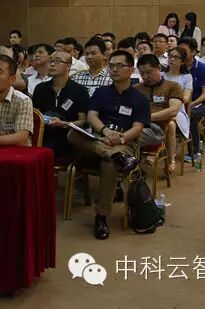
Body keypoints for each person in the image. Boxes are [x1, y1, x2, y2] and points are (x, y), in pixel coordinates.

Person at [68, 50, 149, 240]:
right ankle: (115, 156)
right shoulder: (101, 92)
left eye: (119, 66)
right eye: (111, 66)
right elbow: (91, 116)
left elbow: (137, 128)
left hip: (123, 143)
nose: (114, 69)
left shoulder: (140, 99)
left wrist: (119, 139)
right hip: (98, 138)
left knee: (109, 164)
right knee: (73, 134)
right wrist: (105, 132)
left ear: (131, 70)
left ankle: (102, 216)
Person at [32, 51, 89, 156]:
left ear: (68, 66)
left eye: (58, 61)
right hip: (44, 134)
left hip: (68, 136)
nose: (52, 64)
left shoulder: (79, 90)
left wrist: (64, 124)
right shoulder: (40, 88)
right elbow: (35, 114)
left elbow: (83, 121)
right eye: (51, 61)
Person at [135, 54, 183, 175]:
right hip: (136, 125)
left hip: (156, 129)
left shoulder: (173, 86)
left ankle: (132, 169)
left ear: (159, 68)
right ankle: (133, 168)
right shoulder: (136, 89)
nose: (145, 77)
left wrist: (147, 118)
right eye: (142, 74)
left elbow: (173, 110)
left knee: (126, 138)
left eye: (148, 72)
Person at [179, 37, 205, 158]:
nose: (180, 53)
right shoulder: (176, 67)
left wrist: (192, 104)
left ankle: (194, 151)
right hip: (178, 102)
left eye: (184, 50)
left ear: (193, 52)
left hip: (198, 103)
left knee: (191, 115)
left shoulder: (203, 69)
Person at [164, 47, 194, 149]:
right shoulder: (160, 75)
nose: (172, 59)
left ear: (182, 62)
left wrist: (172, 100)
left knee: (169, 122)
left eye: (176, 57)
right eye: (170, 56)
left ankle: (170, 152)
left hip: (177, 111)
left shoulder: (187, 77)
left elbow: (186, 98)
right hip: (159, 107)